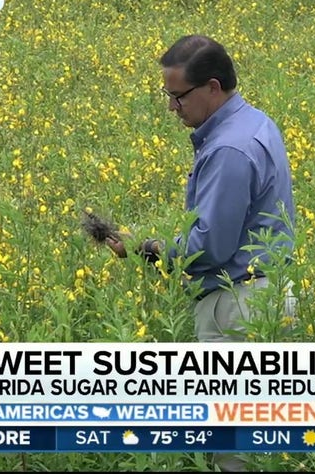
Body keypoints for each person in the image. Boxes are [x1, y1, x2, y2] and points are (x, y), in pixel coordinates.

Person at [106, 34, 297, 470]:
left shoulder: (229, 149)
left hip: (238, 307)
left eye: (177, 96)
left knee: (234, 451)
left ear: (212, 87)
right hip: (268, 295)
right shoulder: (256, 122)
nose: (172, 108)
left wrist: (149, 248)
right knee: (262, 441)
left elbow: (210, 248)